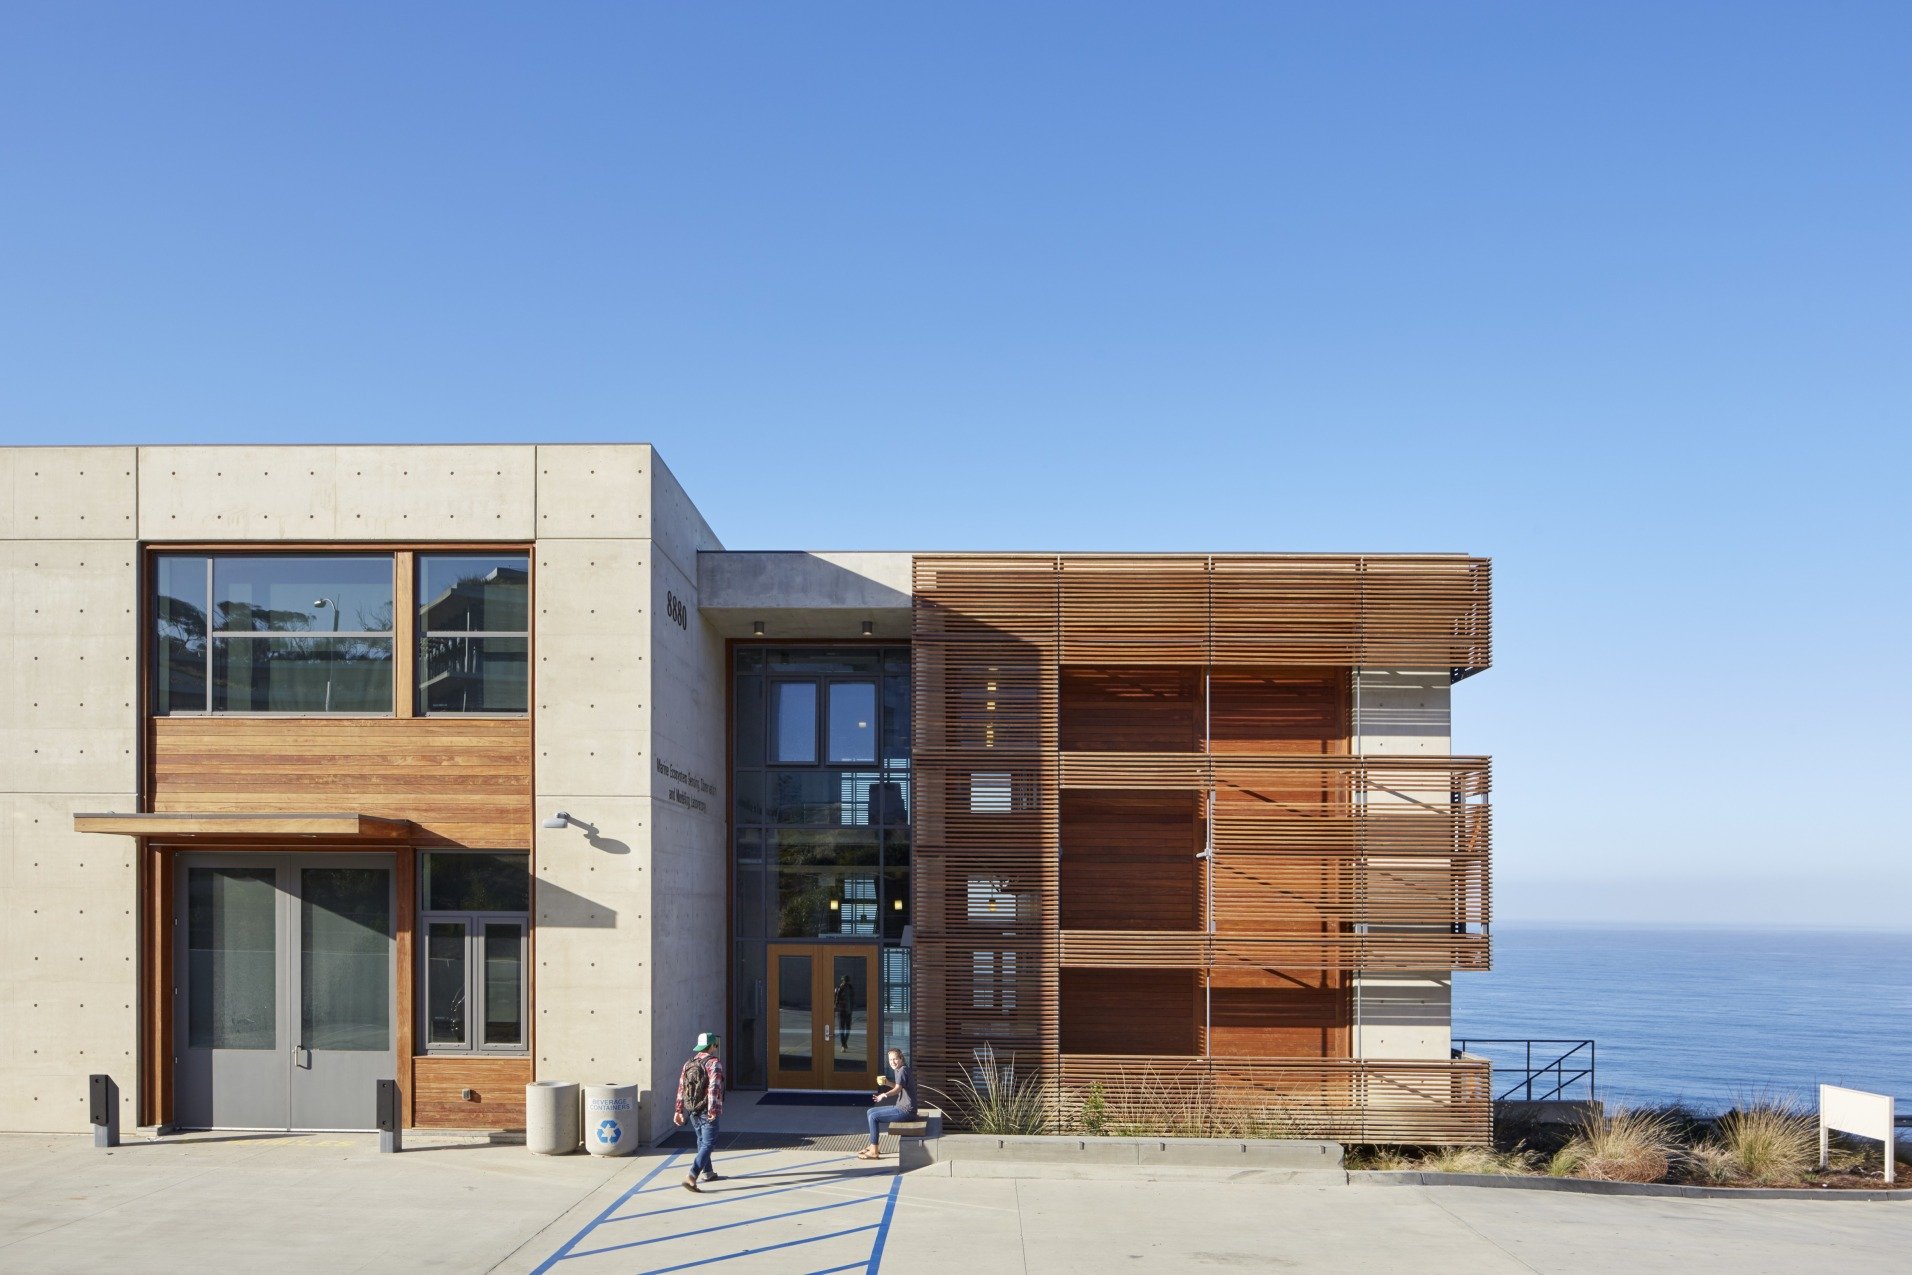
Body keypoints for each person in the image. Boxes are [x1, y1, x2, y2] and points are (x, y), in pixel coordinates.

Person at [673, 1031, 725, 1191]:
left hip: (692, 1108)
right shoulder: (713, 1063)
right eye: (715, 1044)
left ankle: (708, 1172)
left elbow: (682, 1088)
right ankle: (692, 1175)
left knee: (702, 1140)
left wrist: (678, 1110)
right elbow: (714, 1088)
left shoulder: (688, 1063)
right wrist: (713, 1109)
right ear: (711, 1046)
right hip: (706, 1108)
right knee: (709, 1142)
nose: (716, 1046)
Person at [858, 1048, 917, 1160]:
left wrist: (883, 1095)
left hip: (907, 1111)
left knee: (874, 1117)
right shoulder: (898, 1070)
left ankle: (874, 1151)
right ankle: (872, 1145)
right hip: (901, 1107)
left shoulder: (903, 1070)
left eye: (895, 1059)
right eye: (890, 1060)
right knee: (870, 1111)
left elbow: (898, 1089)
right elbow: (898, 1086)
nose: (892, 1062)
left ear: (901, 1058)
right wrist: (887, 1083)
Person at [834, 976, 854, 1047]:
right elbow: (836, 999)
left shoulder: (844, 988)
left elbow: (836, 1000)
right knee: (844, 1028)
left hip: (845, 1011)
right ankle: (844, 1044)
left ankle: (844, 1044)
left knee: (844, 1028)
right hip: (844, 1011)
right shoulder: (840, 988)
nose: (845, 983)